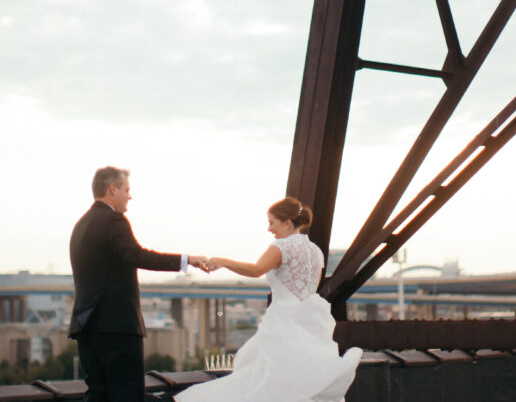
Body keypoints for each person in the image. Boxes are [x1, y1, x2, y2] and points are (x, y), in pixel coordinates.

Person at [175, 197, 362, 402]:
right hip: (310, 319)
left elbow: (256, 270)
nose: (269, 228)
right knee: (299, 375)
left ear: (287, 223)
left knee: (269, 377)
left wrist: (223, 262)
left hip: (284, 320)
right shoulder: (315, 251)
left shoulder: (280, 247)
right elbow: (312, 288)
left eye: (272, 222)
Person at [69, 166, 208, 402]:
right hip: (116, 327)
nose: (129, 196)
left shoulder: (81, 225)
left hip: (87, 327)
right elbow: (137, 255)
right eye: (126, 190)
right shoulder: (114, 219)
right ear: (112, 189)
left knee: (98, 394)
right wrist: (186, 260)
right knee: (127, 393)